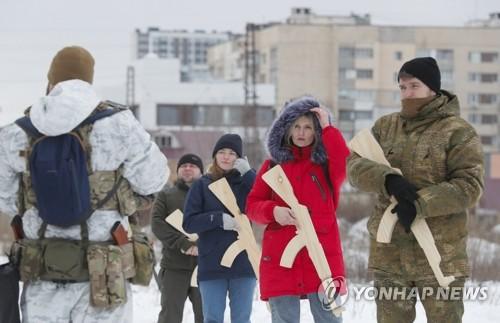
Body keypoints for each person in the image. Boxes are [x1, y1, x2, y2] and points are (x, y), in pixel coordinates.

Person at [0, 46, 168, 322]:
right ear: (88, 80)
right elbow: (154, 178)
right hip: (104, 279)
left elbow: (6, 198)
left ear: (51, 81)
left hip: (41, 274)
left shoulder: (17, 132)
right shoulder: (119, 124)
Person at [347, 57, 484, 323]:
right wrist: (386, 179)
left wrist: (419, 203)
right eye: (402, 87)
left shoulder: (458, 132)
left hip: (440, 256)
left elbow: (469, 186)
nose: (407, 93)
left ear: (432, 88)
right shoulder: (385, 127)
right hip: (390, 255)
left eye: (414, 86)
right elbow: (354, 164)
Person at [246, 96, 349, 323]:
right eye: (296, 126)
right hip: (281, 259)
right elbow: (252, 206)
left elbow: (343, 161)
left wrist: (328, 126)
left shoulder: (326, 167)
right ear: (287, 130)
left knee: (329, 319)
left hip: (322, 258)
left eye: (308, 127)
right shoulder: (272, 166)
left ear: (316, 132)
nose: (301, 132)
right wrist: (273, 211)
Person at [183, 134, 256, 323]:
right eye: (222, 152)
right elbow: (188, 223)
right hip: (212, 264)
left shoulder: (247, 182)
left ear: (239, 158)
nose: (226, 157)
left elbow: (263, 202)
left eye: (232, 153)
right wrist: (217, 219)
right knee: (213, 319)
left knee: (242, 319)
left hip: (244, 264)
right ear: (215, 155)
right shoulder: (202, 184)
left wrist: (249, 174)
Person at [152, 153, 204, 323]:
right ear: (178, 171)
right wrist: (182, 243)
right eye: (183, 166)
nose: (187, 168)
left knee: (207, 317)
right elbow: (157, 224)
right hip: (174, 267)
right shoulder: (166, 195)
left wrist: (201, 245)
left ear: (201, 172)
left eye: (193, 166)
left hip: (205, 268)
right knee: (170, 317)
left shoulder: (210, 194)